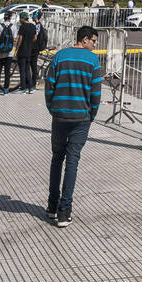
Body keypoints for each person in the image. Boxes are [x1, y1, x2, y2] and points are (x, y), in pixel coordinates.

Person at [44, 25, 103, 227]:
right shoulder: (93, 61)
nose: (94, 45)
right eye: (94, 41)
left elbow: (49, 85)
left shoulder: (60, 56)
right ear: (85, 39)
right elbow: (95, 94)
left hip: (59, 116)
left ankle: (52, 206)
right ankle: (64, 210)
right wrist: (91, 114)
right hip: (80, 118)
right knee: (72, 161)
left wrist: (52, 108)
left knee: (56, 159)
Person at [13, 11, 37, 93]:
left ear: (23, 18)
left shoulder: (23, 27)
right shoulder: (33, 26)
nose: (20, 20)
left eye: (20, 18)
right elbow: (35, 38)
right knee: (27, 70)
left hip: (22, 51)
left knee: (22, 70)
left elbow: (20, 39)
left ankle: (23, 87)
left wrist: (16, 49)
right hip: (29, 51)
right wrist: (29, 43)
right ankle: (30, 87)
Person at [0, 11, 16, 95]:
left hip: (0, 53)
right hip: (9, 53)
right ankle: (6, 89)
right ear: (10, 18)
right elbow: (14, 40)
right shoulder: (13, 27)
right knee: (7, 71)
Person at [30, 10, 47, 87]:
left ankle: (33, 83)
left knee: (33, 65)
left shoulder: (38, 25)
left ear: (36, 16)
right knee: (33, 65)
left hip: (35, 48)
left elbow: (35, 37)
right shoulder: (38, 25)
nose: (32, 16)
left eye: (33, 15)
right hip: (35, 47)